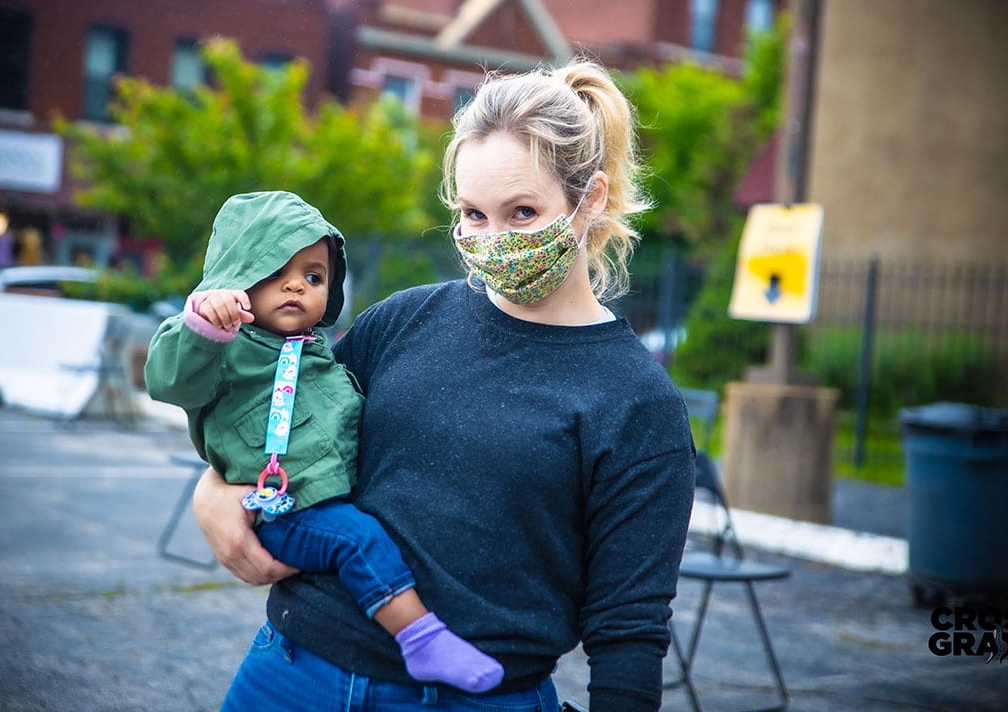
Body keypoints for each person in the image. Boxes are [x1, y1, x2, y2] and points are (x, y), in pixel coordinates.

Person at [192, 62, 697, 712]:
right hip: (294, 669)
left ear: (590, 198)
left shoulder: (637, 401)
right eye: (473, 214)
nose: (493, 240)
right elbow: (280, 427)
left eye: (522, 212)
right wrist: (213, 489)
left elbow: (628, 627)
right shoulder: (402, 322)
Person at [144, 191, 504, 694]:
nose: (296, 285)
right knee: (358, 540)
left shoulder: (319, 351)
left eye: (314, 277)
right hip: (286, 509)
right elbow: (170, 381)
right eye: (274, 272)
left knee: (359, 533)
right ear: (237, 275)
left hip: (318, 501)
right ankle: (421, 639)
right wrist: (204, 325)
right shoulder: (226, 350)